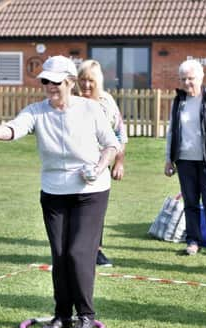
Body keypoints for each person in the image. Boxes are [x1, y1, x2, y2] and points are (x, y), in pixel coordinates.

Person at [0, 56, 120, 328]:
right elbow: (13, 129)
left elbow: (111, 146)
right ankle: (62, 315)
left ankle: (85, 315)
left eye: (55, 81)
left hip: (90, 192)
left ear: (70, 82)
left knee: (78, 253)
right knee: (59, 255)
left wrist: (98, 166)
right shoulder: (36, 111)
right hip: (54, 192)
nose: (49, 86)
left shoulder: (90, 110)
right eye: (45, 81)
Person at [164, 59, 206, 257]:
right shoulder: (178, 102)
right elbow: (171, 132)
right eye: (183, 79)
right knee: (191, 203)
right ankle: (192, 241)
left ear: (201, 78)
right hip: (184, 160)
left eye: (191, 78)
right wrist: (169, 159)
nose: (187, 83)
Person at [77, 59, 128, 267]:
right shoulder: (71, 100)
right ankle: (74, 250)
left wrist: (119, 162)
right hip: (74, 164)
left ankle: (96, 250)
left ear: (98, 81)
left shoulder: (107, 102)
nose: (86, 85)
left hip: (100, 164)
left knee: (95, 209)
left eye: (90, 81)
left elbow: (120, 134)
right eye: (82, 80)